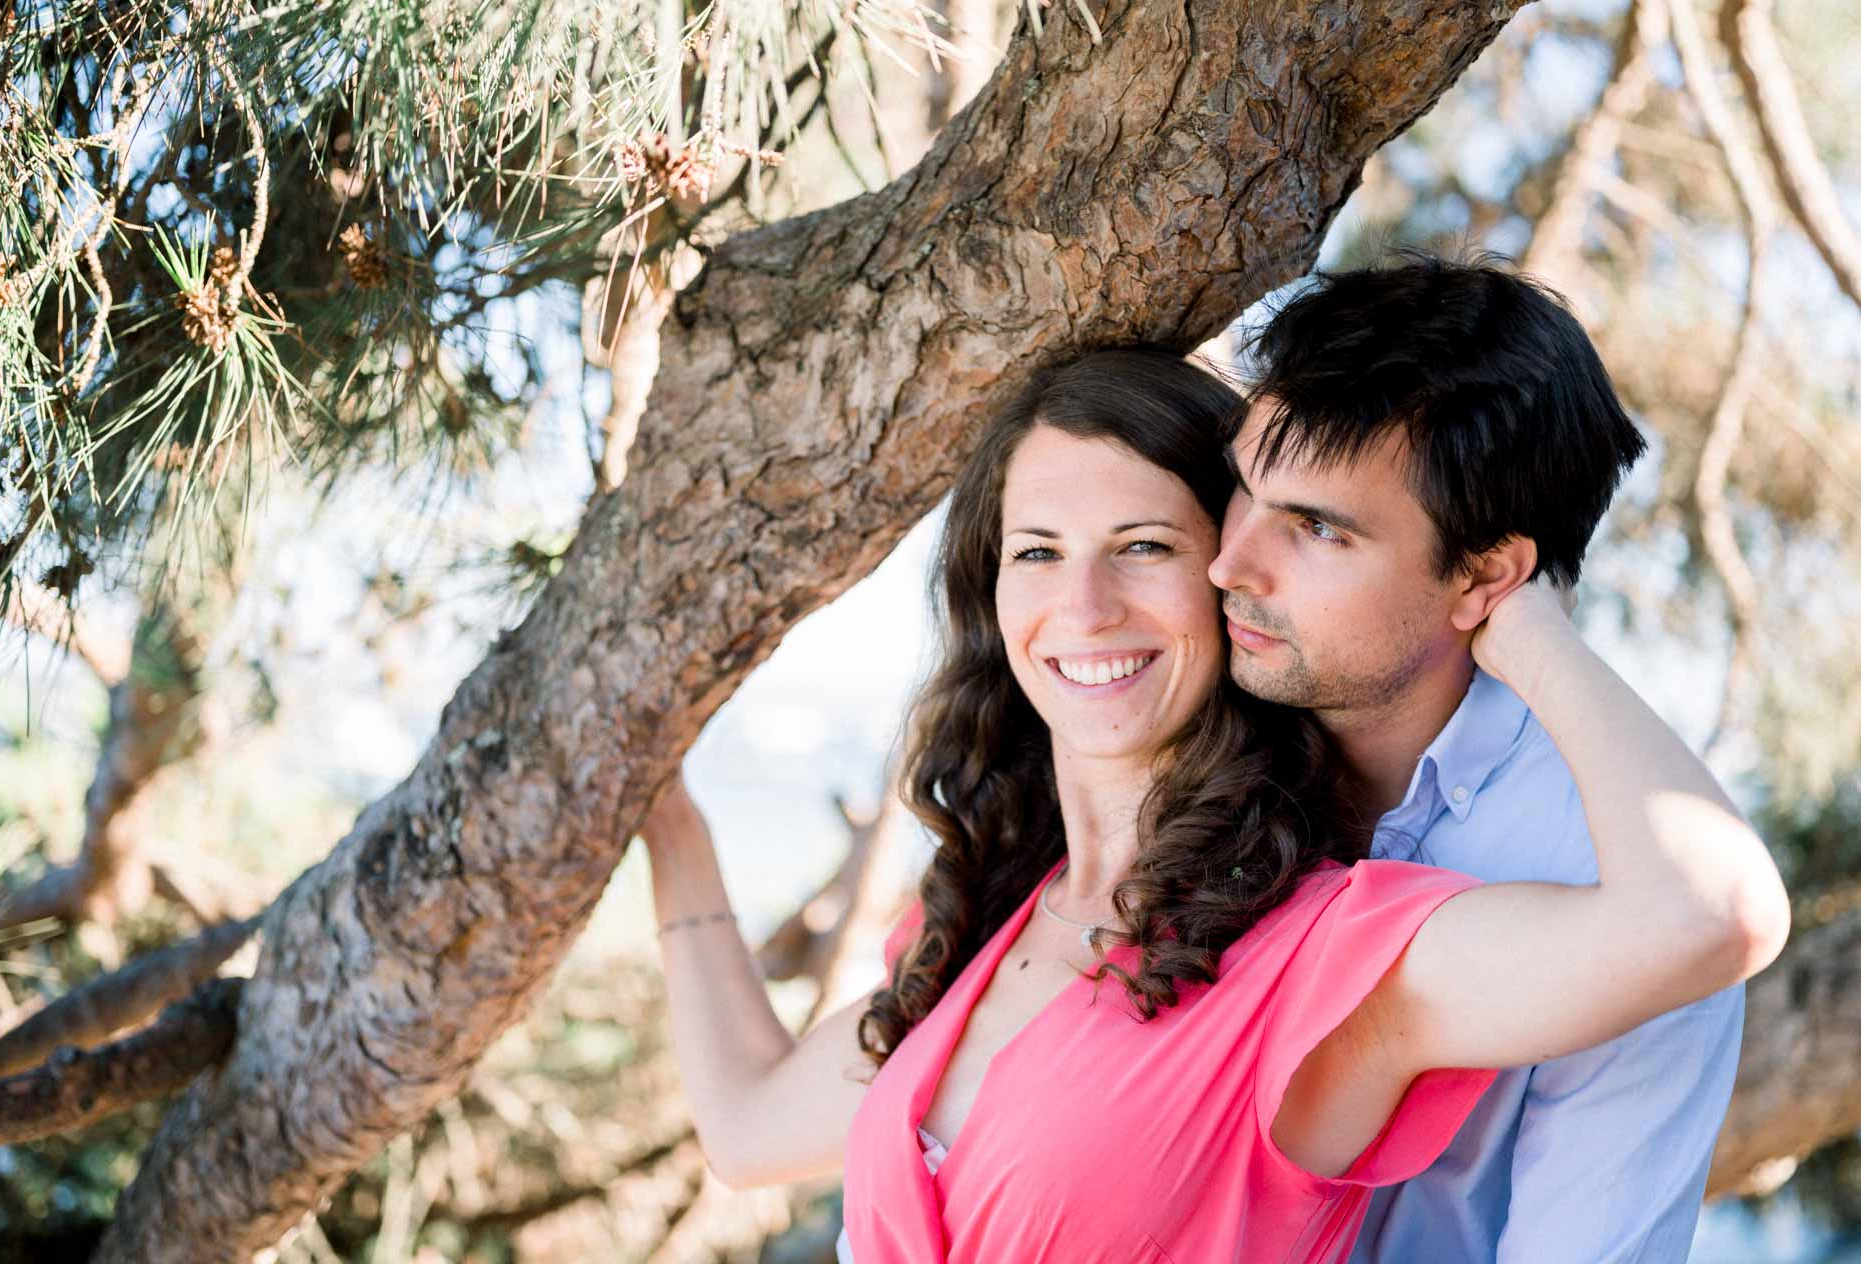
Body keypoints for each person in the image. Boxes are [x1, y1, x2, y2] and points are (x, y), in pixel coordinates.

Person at [639, 346, 1787, 1263]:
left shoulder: (1328, 952)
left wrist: (1514, 614)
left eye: (1143, 547)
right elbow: (744, 1131)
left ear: (1230, 577)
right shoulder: (985, 924)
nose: (1082, 606)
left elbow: (1707, 913)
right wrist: (667, 819)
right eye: (1036, 551)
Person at [1210, 253, 1752, 1263]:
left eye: (1316, 528)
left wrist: (1541, 638)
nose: (1227, 562)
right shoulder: (1189, 721)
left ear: (1487, 575)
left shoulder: (1613, 879)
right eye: (1244, 490)